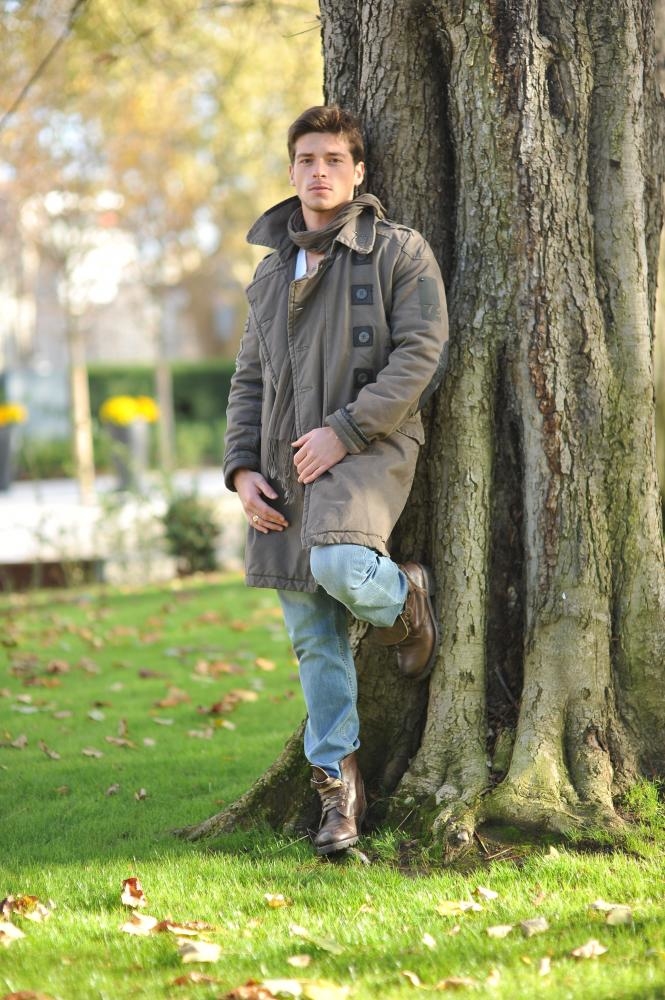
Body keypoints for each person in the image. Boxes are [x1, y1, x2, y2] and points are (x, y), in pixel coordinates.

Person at [223, 105, 448, 856]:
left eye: (333, 160)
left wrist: (344, 430)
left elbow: (420, 353)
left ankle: (404, 597)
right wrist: (242, 470)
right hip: (283, 464)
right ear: (291, 171)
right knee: (312, 638)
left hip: (369, 445)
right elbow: (249, 380)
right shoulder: (268, 273)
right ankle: (338, 792)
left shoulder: (397, 250)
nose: (318, 172)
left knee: (340, 564)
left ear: (358, 172)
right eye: (306, 160)